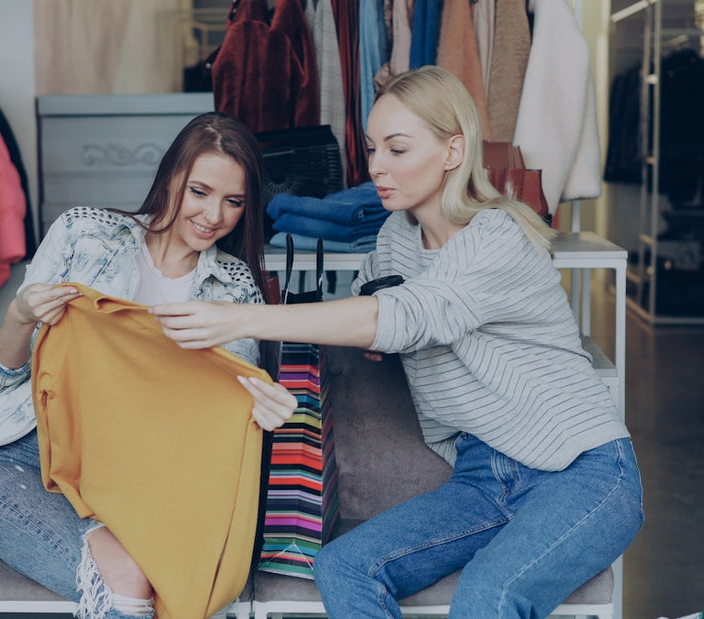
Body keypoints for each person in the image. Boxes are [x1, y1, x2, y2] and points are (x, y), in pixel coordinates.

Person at [152, 66, 644, 619]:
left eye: (397, 149)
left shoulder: (498, 236)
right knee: (343, 566)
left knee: (490, 595)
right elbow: (377, 300)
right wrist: (372, 328)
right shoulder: (395, 238)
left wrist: (242, 320)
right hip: (483, 477)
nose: (376, 167)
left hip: (583, 470)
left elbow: (410, 315)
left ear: (454, 151)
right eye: (372, 148)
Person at [0, 111, 298, 619]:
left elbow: (221, 411)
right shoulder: (84, 235)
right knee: (133, 580)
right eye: (200, 191)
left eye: (234, 202)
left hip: (144, 484)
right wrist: (19, 314)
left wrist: (261, 409)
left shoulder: (235, 289)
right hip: (25, 460)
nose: (213, 215)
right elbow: (7, 373)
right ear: (170, 179)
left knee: (170, 582)